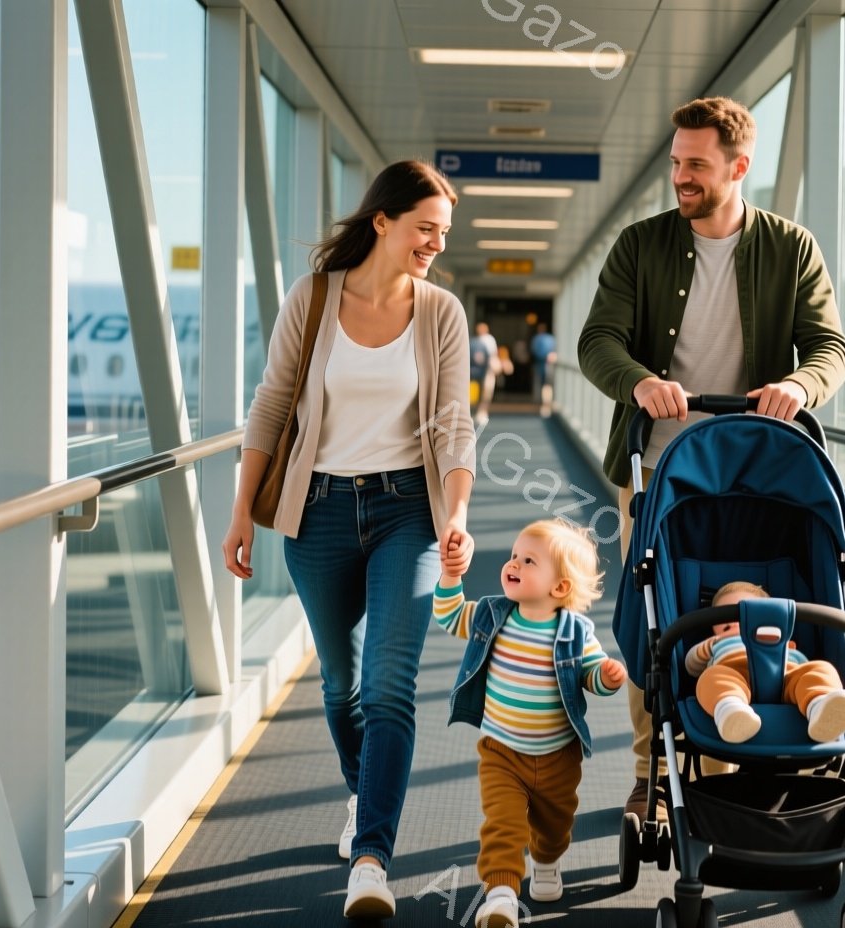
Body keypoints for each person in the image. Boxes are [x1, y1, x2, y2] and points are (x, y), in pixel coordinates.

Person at [576, 96, 845, 822]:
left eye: (696, 164)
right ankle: (651, 774)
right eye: (676, 163)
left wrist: (797, 384)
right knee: (657, 620)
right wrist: (639, 382)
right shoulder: (641, 245)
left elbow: (831, 348)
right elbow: (597, 340)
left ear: (738, 167)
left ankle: (744, 761)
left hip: (762, 479)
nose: (681, 177)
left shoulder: (791, 248)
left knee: (758, 619)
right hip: (660, 475)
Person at [221, 160, 477, 920]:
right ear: (382, 222)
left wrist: (455, 515)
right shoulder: (315, 298)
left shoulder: (441, 314)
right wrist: (241, 511)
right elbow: (270, 406)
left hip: (409, 512)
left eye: (443, 232)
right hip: (321, 512)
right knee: (341, 687)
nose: (435, 242)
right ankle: (363, 793)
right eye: (425, 227)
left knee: (389, 687)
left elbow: (453, 425)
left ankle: (372, 858)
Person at [432, 519, 627, 928]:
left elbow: (590, 674)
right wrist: (451, 576)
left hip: (558, 756)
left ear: (559, 588)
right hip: (501, 751)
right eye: (513, 556)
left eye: (528, 560)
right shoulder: (492, 615)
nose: (512, 564)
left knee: (554, 825)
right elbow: (450, 617)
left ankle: (546, 860)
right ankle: (501, 895)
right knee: (502, 825)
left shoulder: (576, 633)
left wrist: (606, 678)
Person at [685, 581, 845, 744]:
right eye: (723, 614)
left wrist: (809, 676)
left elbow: (804, 666)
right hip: (735, 675)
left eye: (741, 614)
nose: (732, 619)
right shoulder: (716, 643)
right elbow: (691, 666)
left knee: (822, 669)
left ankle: (820, 706)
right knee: (710, 678)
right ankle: (730, 710)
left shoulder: (782, 641)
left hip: (785, 677)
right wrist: (707, 647)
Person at [470, 321, 500, 427]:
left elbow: (493, 355)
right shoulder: (473, 341)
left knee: (486, 391)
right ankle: (476, 412)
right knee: (476, 392)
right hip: (475, 371)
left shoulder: (489, 340)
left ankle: (482, 412)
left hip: (488, 370)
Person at [530, 324, 558, 417]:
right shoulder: (551, 339)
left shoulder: (537, 339)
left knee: (544, 385)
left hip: (542, 364)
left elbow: (535, 351)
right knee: (547, 385)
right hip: (548, 364)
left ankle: (545, 405)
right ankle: (546, 406)